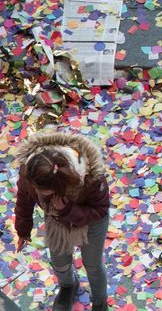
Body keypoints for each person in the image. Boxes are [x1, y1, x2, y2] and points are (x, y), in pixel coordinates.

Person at [14, 130, 111, 311]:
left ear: (59, 188)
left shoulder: (92, 179)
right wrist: (23, 229)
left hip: (90, 222)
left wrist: (68, 210)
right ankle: (68, 286)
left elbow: (100, 210)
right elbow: (24, 199)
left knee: (92, 264)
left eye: (40, 190)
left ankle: (99, 302)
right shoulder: (31, 170)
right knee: (59, 261)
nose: (34, 190)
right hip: (56, 220)